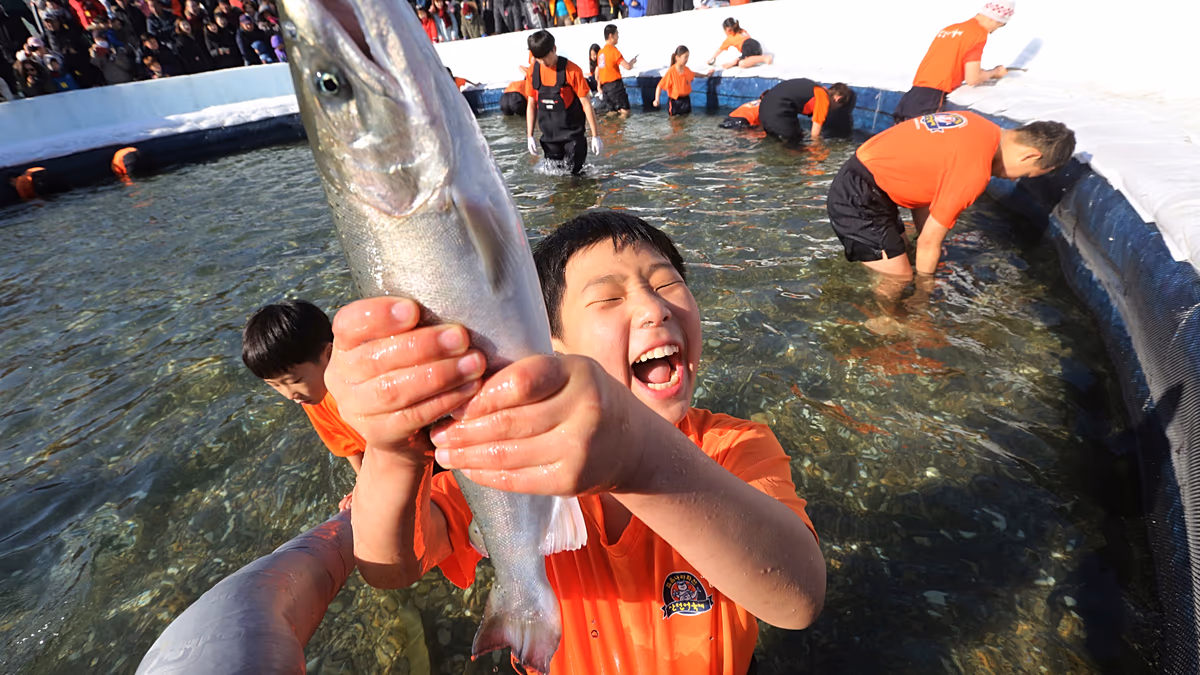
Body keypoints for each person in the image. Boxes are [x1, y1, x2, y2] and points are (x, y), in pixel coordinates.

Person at [324, 210, 825, 675]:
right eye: (609, 298)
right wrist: (394, 449)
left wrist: (640, 461)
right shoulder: (506, 461)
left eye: (668, 283)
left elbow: (798, 598)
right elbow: (391, 565)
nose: (654, 308)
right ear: (551, 347)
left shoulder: (734, 446)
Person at [826, 112, 1074, 292]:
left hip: (867, 178)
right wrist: (924, 296)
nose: (1015, 179)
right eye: (1027, 174)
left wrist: (927, 242)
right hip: (859, 196)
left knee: (903, 251)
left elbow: (927, 186)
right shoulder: (974, 172)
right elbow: (928, 243)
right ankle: (883, 328)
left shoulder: (975, 123)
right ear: (1030, 155)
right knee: (899, 279)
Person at [242, 300, 365, 510]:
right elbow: (348, 446)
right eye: (275, 385)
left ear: (329, 354)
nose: (289, 395)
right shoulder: (312, 398)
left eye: (294, 380)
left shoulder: (364, 386)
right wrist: (363, 483)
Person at [892, 0, 1014, 124]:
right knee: (924, 141)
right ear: (996, 20)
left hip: (912, 95)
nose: (993, 31)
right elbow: (973, 79)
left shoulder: (950, 29)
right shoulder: (978, 33)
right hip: (932, 97)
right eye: (1000, 26)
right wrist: (994, 72)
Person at [524, 29, 601, 175]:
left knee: (575, 179)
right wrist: (530, 136)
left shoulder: (572, 71)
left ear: (554, 49)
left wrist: (595, 136)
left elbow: (586, 104)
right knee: (555, 181)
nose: (542, 62)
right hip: (549, 139)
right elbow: (531, 104)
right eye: (538, 59)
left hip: (573, 138)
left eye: (545, 57)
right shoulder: (532, 72)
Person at [759, 79, 851, 142]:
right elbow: (815, 135)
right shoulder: (823, 98)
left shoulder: (815, 89)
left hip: (764, 108)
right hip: (779, 111)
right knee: (794, 147)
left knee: (779, 141)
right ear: (838, 99)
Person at [652, 45, 711, 116]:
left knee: (686, 121)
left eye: (688, 57)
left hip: (686, 100)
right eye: (685, 57)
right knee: (675, 122)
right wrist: (657, 99)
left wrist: (706, 75)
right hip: (675, 102)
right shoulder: (671, 72)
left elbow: (694, 74)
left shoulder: (686, 70)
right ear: (677, 57)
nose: (687, 60)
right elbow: (660, 86)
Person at [595, 23, 635, 116]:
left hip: (605, 88)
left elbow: (599, 71)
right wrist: (632, 62)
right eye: (617, 34)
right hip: (616, 86)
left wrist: (599, 86)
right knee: (626, 111)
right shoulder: (614, 51)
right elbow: (627, 67)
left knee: (611, 112)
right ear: (611, 36)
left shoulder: (601, 53)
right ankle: (621, 127)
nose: (618, 37)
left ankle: (611, 129)